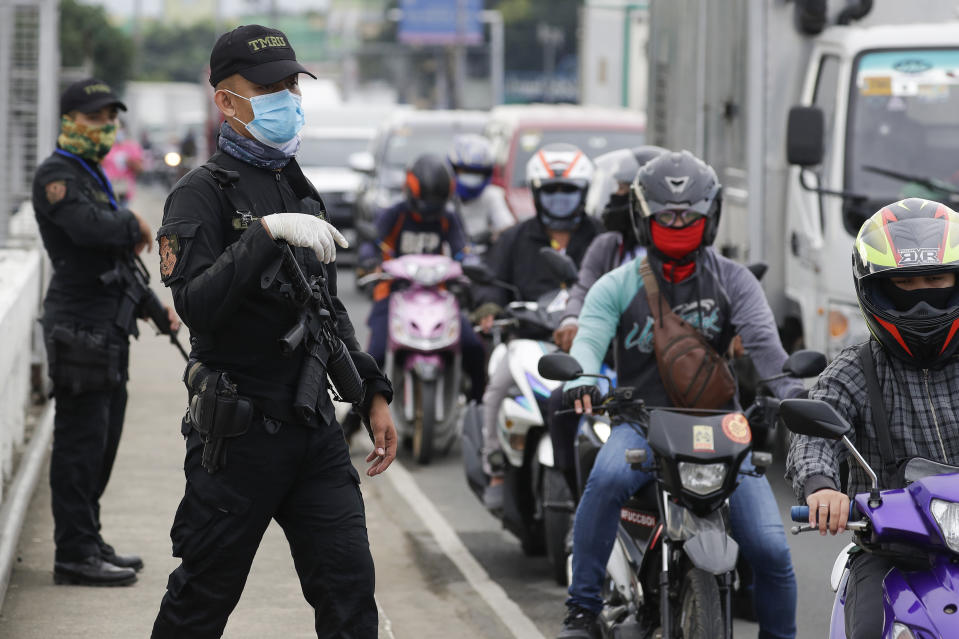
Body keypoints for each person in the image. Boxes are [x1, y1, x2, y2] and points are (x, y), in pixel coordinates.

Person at [149, 25, 397, 638]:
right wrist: (262, 236)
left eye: (290, 83)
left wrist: (372, 394)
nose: (284, 96)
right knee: (201, 601)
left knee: (350, 594)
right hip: (239, 438)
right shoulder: (197, 197)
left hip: (313, 432)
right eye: (266, 87)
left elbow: (326, 309)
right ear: (225, 100)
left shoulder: (296, 184)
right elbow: (197, 305)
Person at [557, 150, 801, 639]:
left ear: (709, 216)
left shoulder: (736, 281)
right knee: (603, 485)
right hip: (640, 423)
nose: (676, 223)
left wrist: (792, 393)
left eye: (687, 214)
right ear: (642, 216)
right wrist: (580, 377)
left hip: (725, 428)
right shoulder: (616, 286)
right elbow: (588, 342)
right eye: (666, 215)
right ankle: (582, 610)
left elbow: (769, 353)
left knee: (772, 549)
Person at [785, 197, 959, 639]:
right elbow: (814, 433)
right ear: (875, 289)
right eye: (905, 283)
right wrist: (821, 487)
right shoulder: (856, 368)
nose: (923, 300)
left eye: (936, 279)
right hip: (892, 548)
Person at [32, 78, 173, 586]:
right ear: (70, 121)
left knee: (103, 443)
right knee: (80, 445)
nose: (105, 128)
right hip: (78, 329)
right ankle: (73, 554)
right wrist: (133, 223)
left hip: (104, 330)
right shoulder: (57, 174)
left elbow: (119, 263)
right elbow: (93, 230)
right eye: (95, 119)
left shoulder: (88, 172)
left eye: (110, 119)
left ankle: (88, 538)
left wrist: (159, 312)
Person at [476, 143, 603, 511]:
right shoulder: (515, 238)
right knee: (495, 387)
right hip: (528, 342)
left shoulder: (600, 237)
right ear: (536, 192)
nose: (559, 198)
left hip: (590, 345)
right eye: (551, 190)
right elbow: (489, 281)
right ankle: (496, 465)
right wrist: (487, 306)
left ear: (584, 193)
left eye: (568, 190)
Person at [546, 145, 666, 490]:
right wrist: (571, 322)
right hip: (613, 365)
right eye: (615, 190)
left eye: (623, 191)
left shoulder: (688, 252)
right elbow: (582, 290)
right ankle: (574, 499)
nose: (615, 199)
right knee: (561, 403)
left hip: (675, 372)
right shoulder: (606, 246)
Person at [359, 152, 487, 402]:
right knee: (374, 355)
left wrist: (471, 263)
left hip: (437, 295)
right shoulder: (395, 213)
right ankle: (357, 413)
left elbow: (463, 249)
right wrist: (370, 261)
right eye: (426, 202)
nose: (430, 210)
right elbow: (372, 241)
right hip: (393, 292)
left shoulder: (448, 217)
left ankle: (479, 404)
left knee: (473, 346)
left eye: (436, 203)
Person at [446, 133, 515, 246]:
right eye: (465, 171)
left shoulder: (492, 195)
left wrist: (493, 235)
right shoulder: (444, 196)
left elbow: (508, 229)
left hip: (483, 258)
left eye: (477, 172)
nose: (471, 177)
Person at [101, 121, 145, 207]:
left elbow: (140, 169)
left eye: (119, 129)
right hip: (105, 190)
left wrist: (129, 162)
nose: (117, 132)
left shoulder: (132, 146)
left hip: (123, 191)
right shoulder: (104, 146)